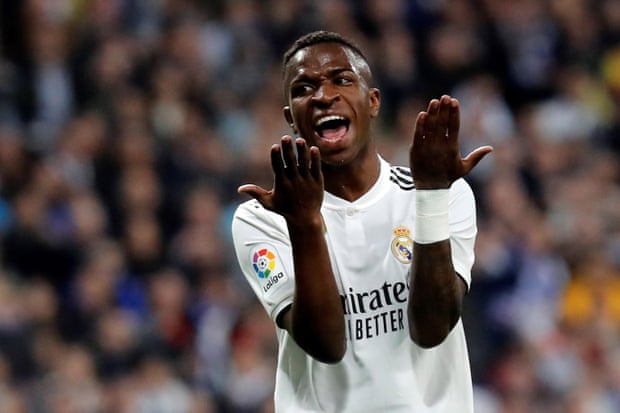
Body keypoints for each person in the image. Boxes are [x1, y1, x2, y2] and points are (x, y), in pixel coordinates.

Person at [231, 30, 493, 412]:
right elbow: (326, 345)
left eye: (341, 80)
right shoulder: (264, 219)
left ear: (372, 102)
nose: (323, 96)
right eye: (304, 88)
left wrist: (432, 194)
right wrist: (304, 224)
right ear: (291, 117)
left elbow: (432, 329)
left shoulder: (441, 192)